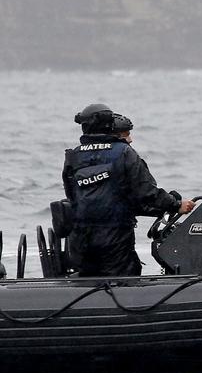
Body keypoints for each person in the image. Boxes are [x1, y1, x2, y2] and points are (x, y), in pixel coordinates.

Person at [61, 103, 195, 277]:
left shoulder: (73, 156)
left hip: (80, 239)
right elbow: (146, 192)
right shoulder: (124, 153)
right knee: (125, 280)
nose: (130, 139)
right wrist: (176, 204)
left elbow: (72, 195)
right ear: (108, 124)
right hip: (114, 239)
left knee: (88, 281)